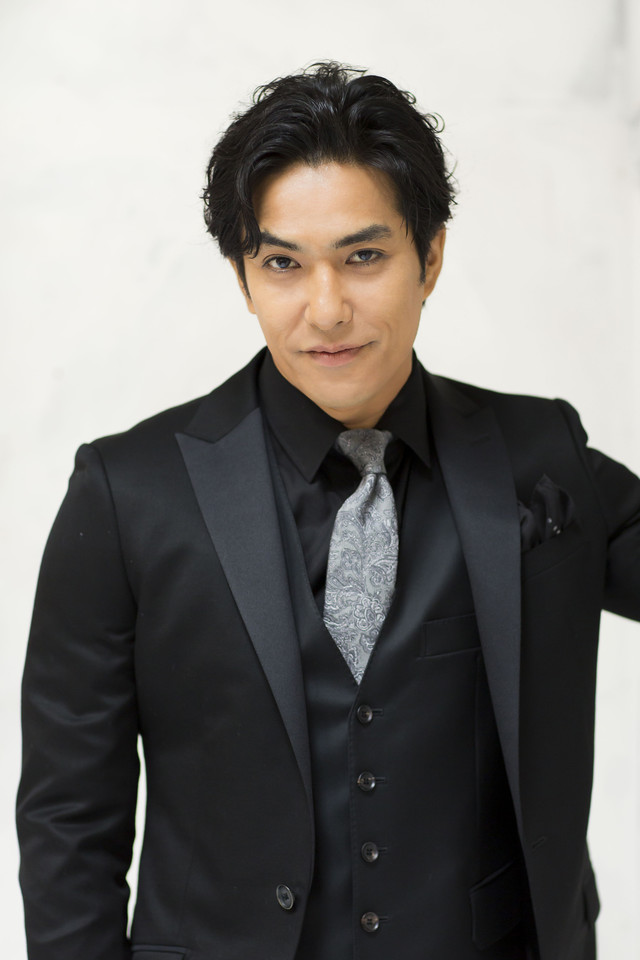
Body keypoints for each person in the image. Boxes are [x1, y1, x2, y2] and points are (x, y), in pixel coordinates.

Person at [16, 61, 640, 960]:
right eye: (283, 263)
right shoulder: (127, 493)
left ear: (430, 258)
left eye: (363, 257)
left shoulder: (538, 458)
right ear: (244, 277)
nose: (326, 309)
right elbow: (69, 818)